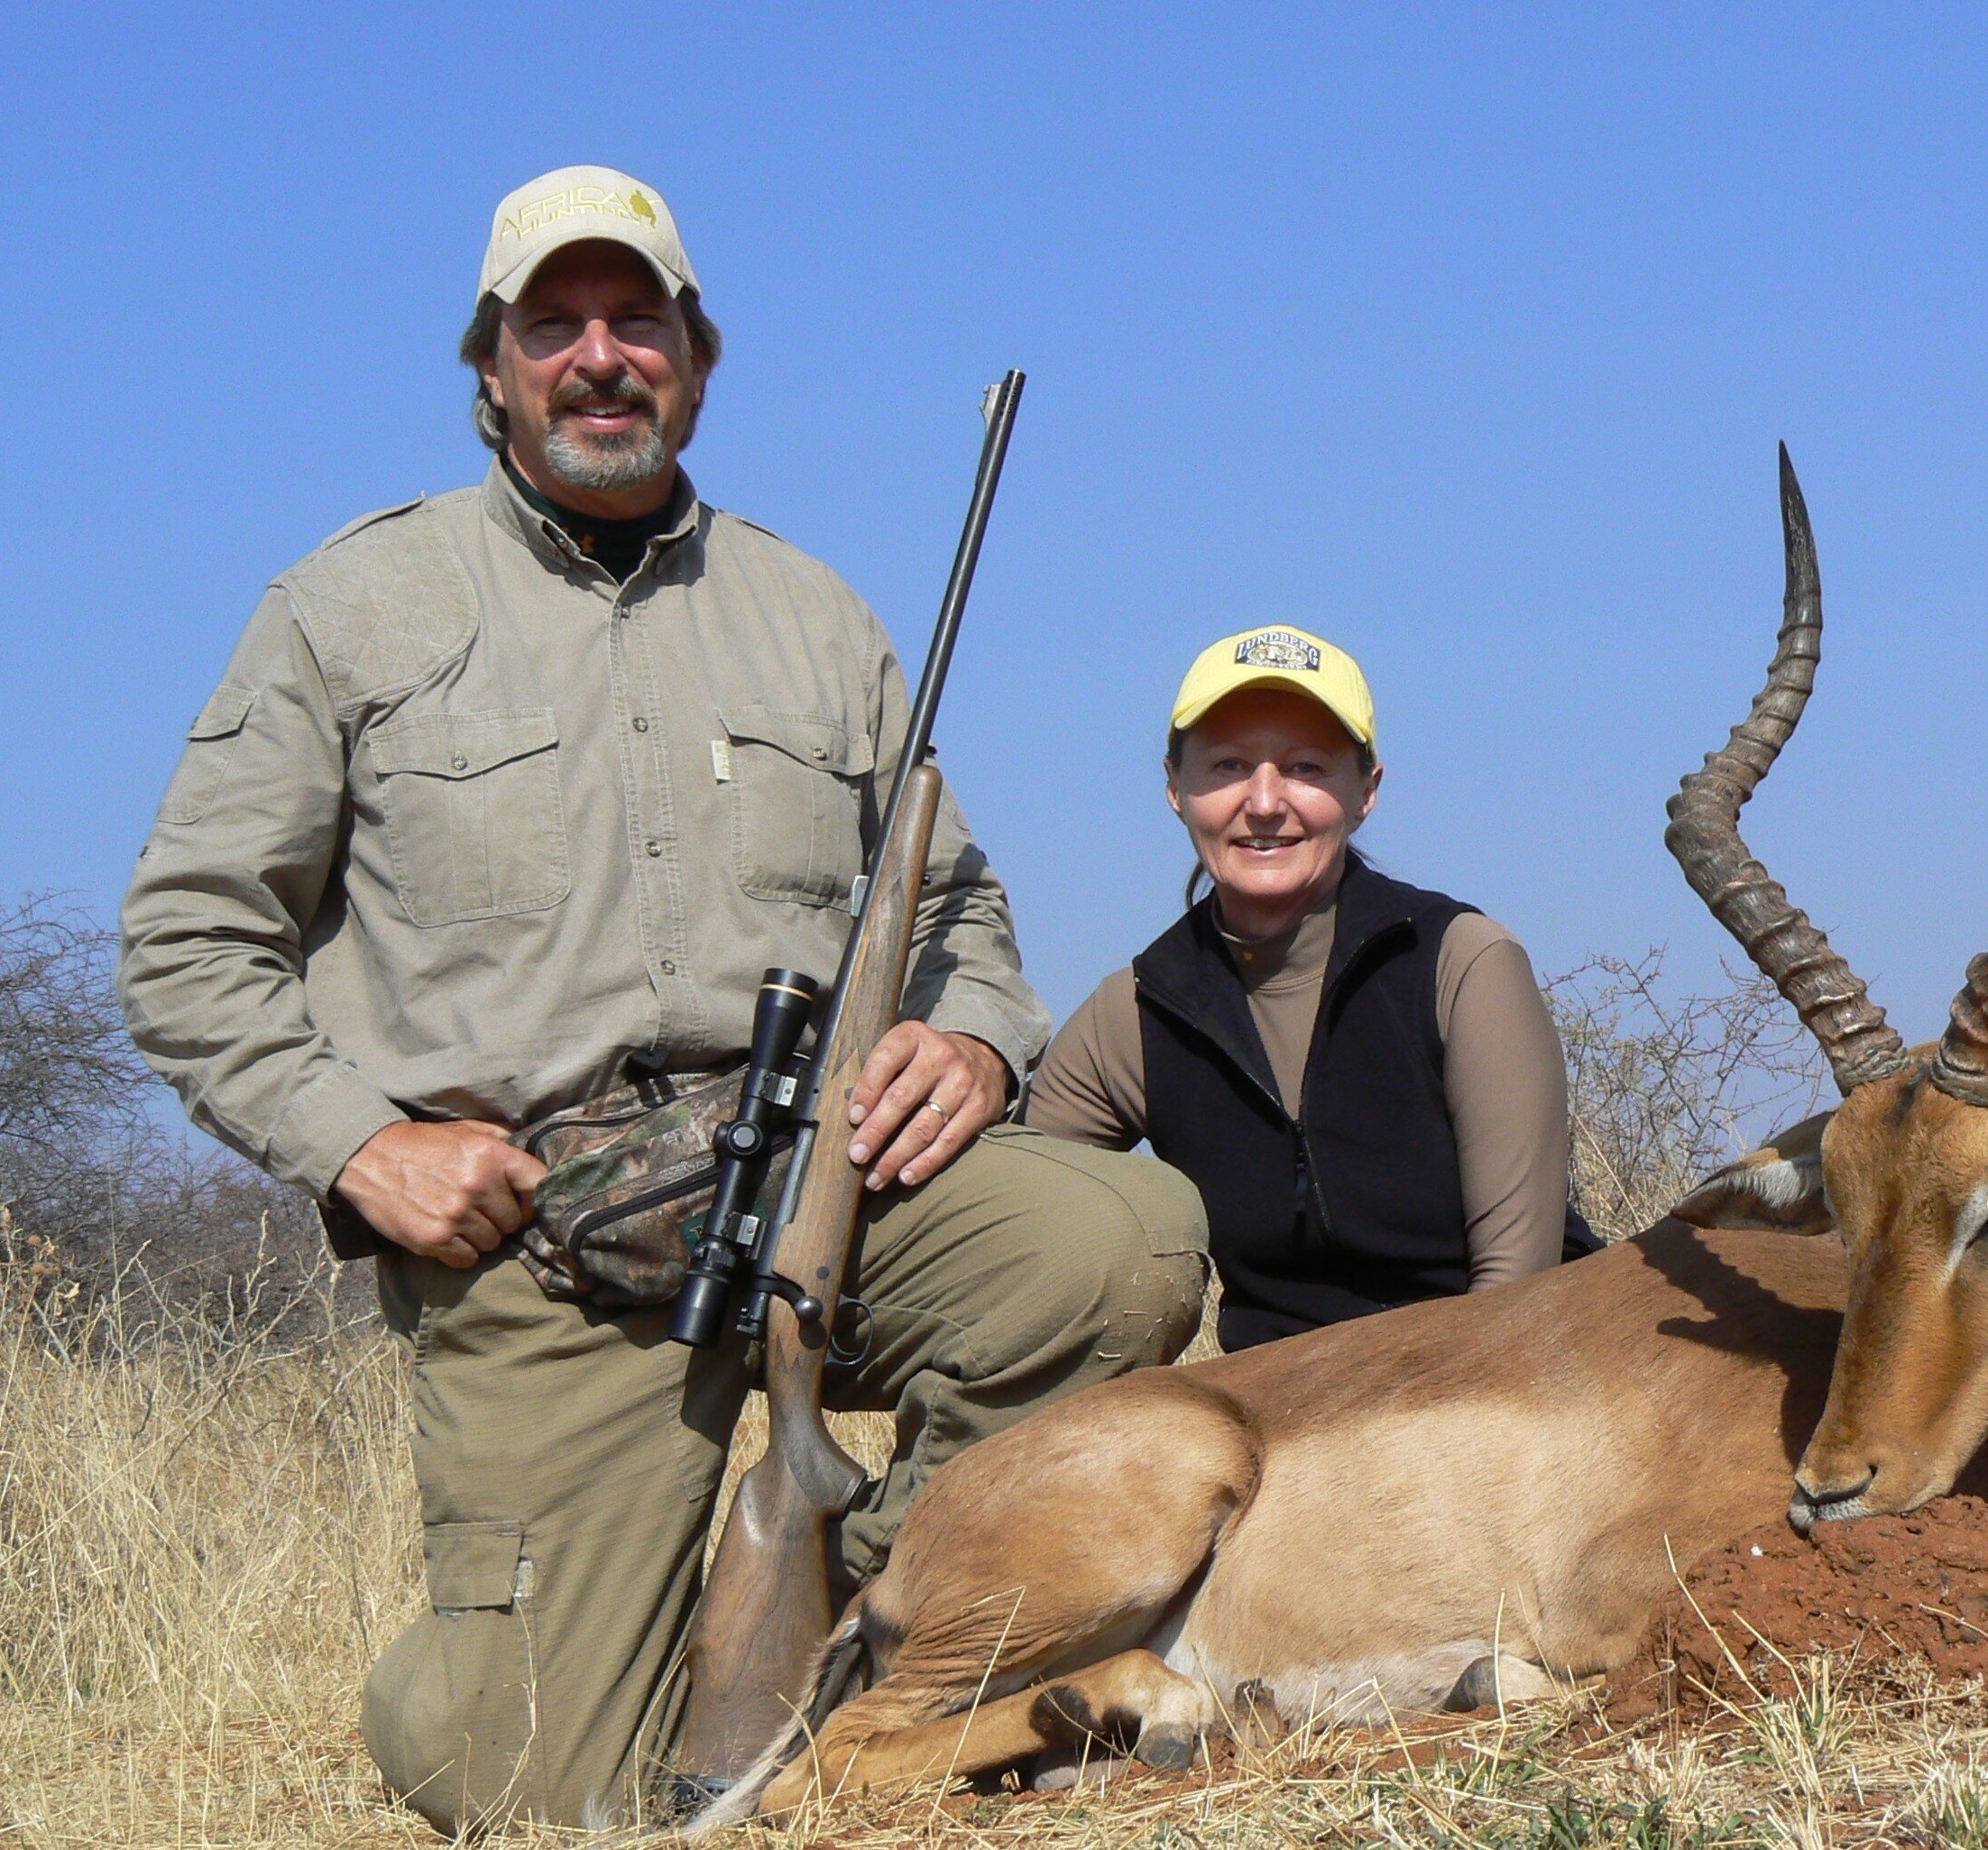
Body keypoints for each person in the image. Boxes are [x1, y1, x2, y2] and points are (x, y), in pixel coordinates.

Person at [115, 166, 1206, 1832]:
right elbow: (188, 940)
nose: (599, 357)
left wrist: (972, 1036)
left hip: (810, 1182)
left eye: (639, 321)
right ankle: (575, 1653)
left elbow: (958, 902)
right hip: (534, 1236)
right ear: (491, 364)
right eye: (555, 324)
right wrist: (358, 1147)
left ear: (698, 359)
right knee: (526, 1776)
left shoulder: (815, 614)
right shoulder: (347, 606)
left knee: (1116, 1243)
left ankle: (881, 1660)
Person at [1026, 624, 1595, 1351]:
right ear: (1176, 787)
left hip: (1505, 1380)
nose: (1264, 803)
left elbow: (1516, 1297)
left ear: (1367, 791)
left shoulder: (1462, 963)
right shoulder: (1137, 1010)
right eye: (1228, 766)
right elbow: (1018, 1214)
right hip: (1279, 1412)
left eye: (1305, 768)